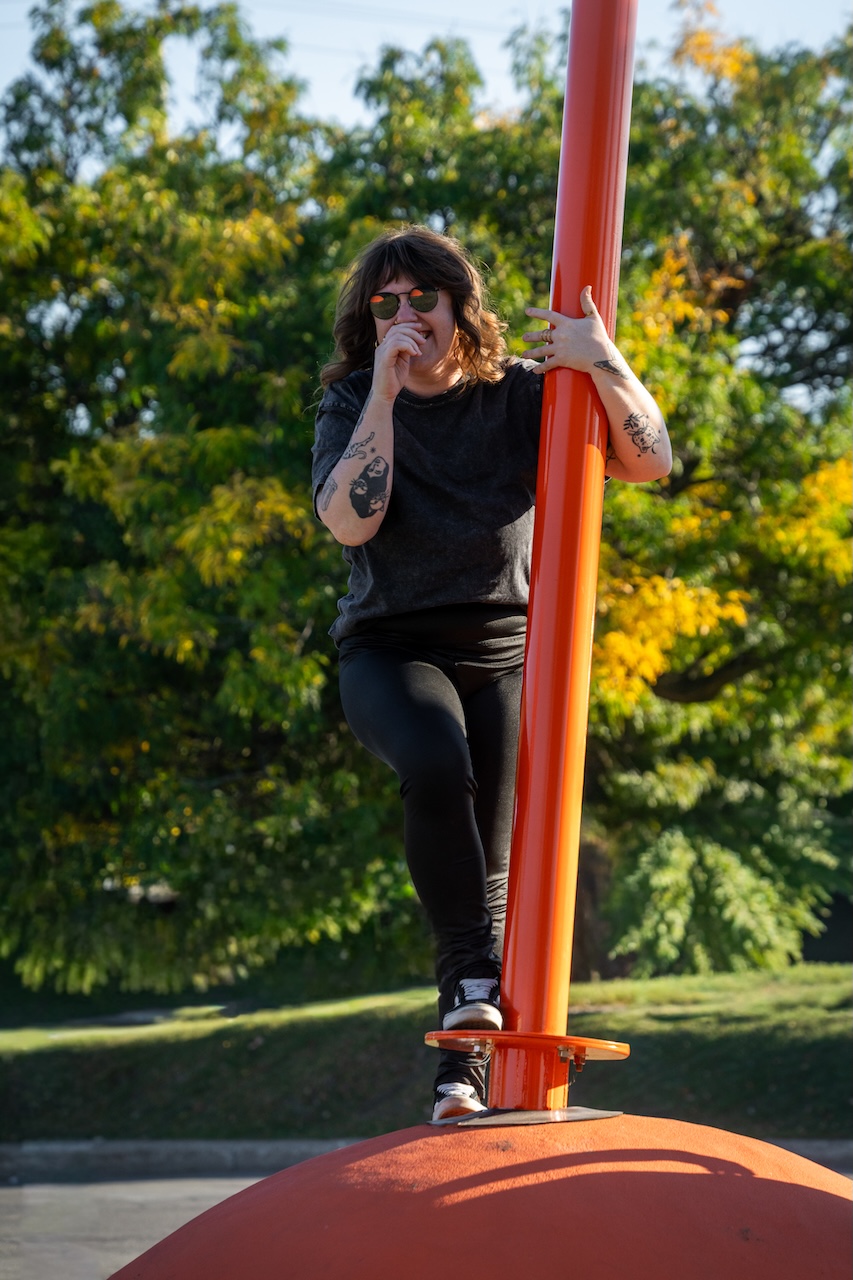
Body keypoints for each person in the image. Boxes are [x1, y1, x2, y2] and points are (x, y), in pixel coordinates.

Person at [311, 225, 671, 1123]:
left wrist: (603, 362)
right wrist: (384, 398)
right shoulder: (354, 400)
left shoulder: (521, 398)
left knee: (500, 863)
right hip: (390, 650)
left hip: (505, 651)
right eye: (384, 304)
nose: (403, 316)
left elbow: (651, 462)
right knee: (435, 765)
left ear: (458, 305)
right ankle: (470, 984)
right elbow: (349, 525)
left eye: (420, 298)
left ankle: (461, 1073)